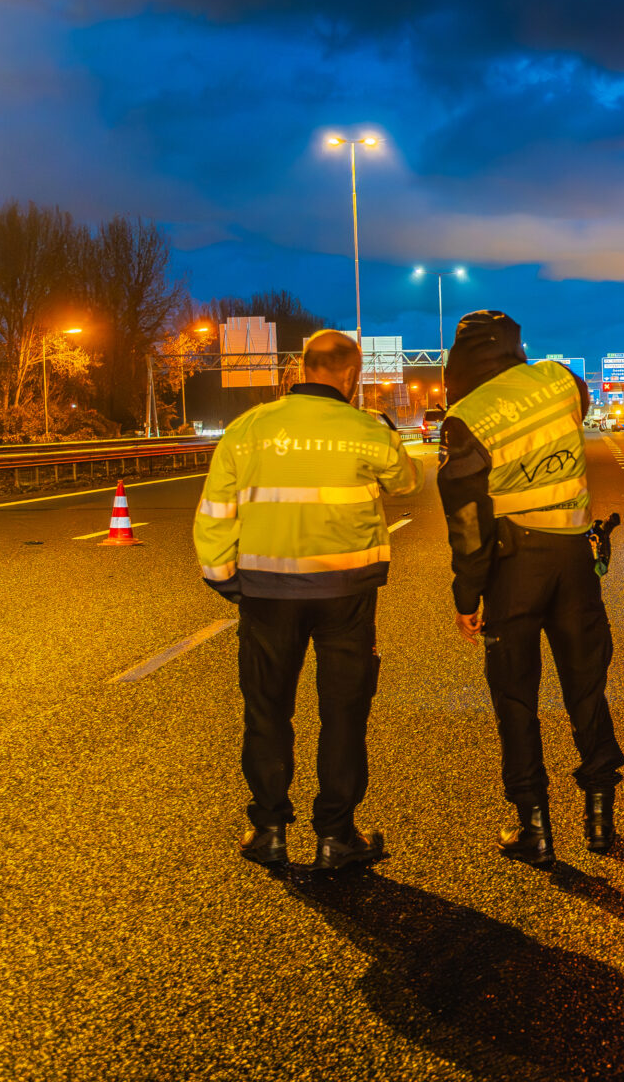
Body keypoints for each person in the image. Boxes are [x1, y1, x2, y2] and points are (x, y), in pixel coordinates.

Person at [195, 330, 422, 871]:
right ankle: (336, 836)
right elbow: (407, 483)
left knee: (267, 709)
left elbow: (215, 512)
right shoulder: (367, 431)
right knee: (344, 713)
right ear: (352, 373)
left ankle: (269, 830)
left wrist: (226, 579)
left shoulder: (248, 429)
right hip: (346, 594)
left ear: (298, 367)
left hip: (266, 593)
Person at [438, 311, 624, 867]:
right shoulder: (560, 381)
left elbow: (468, 522)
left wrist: (467, 598)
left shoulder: (465, 418)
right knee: (586, 688)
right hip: (573, 557)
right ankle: (600, 820)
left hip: (512, 568)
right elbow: (580, 409)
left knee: (516, 700)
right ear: (516, 348)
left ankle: (535, 831)